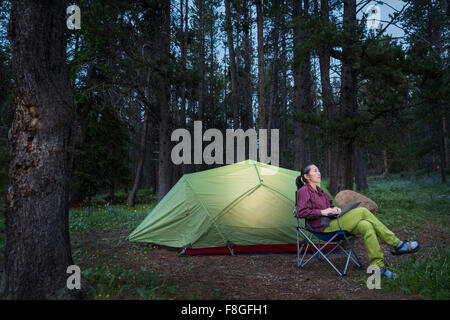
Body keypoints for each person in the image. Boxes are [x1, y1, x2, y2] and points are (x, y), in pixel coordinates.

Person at [295, 164, 420, 279]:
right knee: (362, 211)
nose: (319, 173)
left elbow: (330, 206)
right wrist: (323, 212)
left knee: (366, 226)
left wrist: (335, 209)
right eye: (315, 171)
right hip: (322, 228)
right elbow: (301, 212)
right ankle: (396, 244)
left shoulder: (322, 192)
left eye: (318, 170)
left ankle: (378, 268)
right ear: (306, 176)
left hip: (333, 222)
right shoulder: (304, 191)